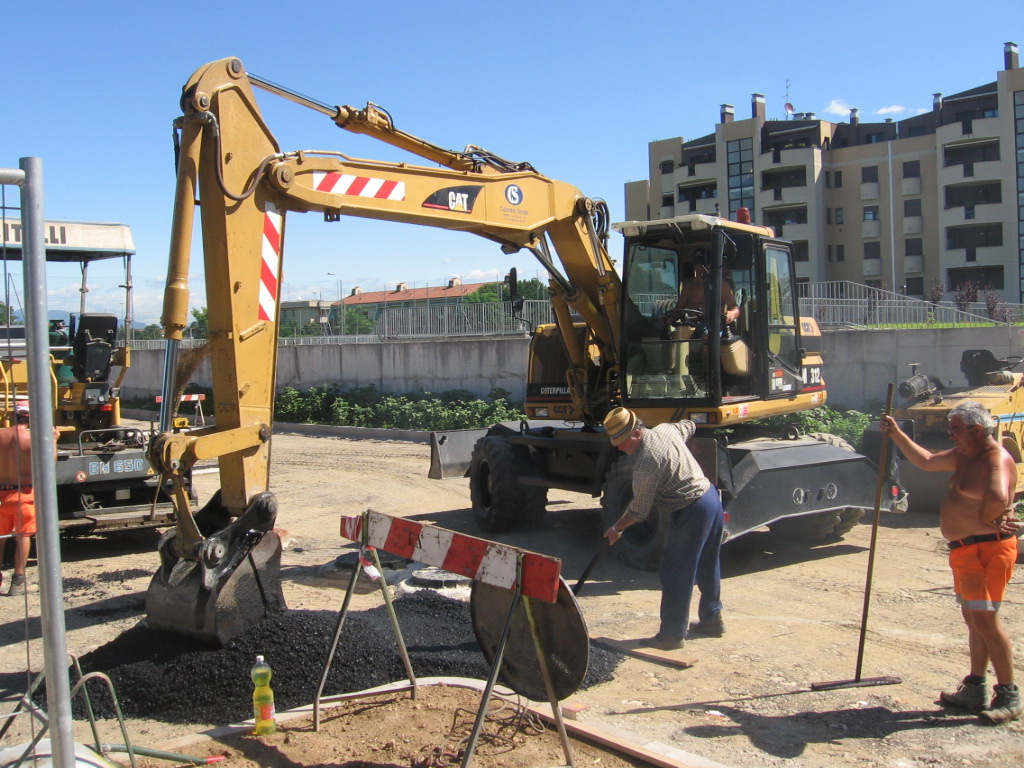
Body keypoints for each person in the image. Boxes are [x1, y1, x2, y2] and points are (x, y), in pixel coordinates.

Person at [880, 401, 1022, 723]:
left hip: (989, 551)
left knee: (986, 620)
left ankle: (1010, 694)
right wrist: (896, 434)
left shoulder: (995, 459)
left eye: (956, 430)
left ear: (976, 429)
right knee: (974, 620)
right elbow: (927, 460)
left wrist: (994, 518)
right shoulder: (965, 456)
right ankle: (975, 687)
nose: (951, 436)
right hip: (966, 550)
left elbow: (1000, 496)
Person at [602, 406, 725, 650]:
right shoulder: (666, 430)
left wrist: (617, 527)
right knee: (708, 562)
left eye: (622, 441)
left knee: (675, 572)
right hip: (711, 499)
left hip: (691, 510)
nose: (618, 447)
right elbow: (688, 426)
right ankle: (712, 619)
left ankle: (671, 635)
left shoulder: (646, 464)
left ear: (637, 434)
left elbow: (639, 510)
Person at [0, 405, 56, 597]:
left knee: (0, 538)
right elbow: (51, 462)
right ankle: (18, 581)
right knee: (23, 537)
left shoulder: (1, 435)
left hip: (2, 495)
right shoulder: (31, 439)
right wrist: (54, 441)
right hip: (23, 495)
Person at [673, 254, 740, 328]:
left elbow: (734, 307)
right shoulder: (688, 286)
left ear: (711, 265)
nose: (702, 267)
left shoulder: (721, 284)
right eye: (699, 263)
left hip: (714, 329)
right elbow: (678, 309)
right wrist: (669, 317)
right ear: (695, 266)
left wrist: (731, 313)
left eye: (706, 264)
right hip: (690, 326)